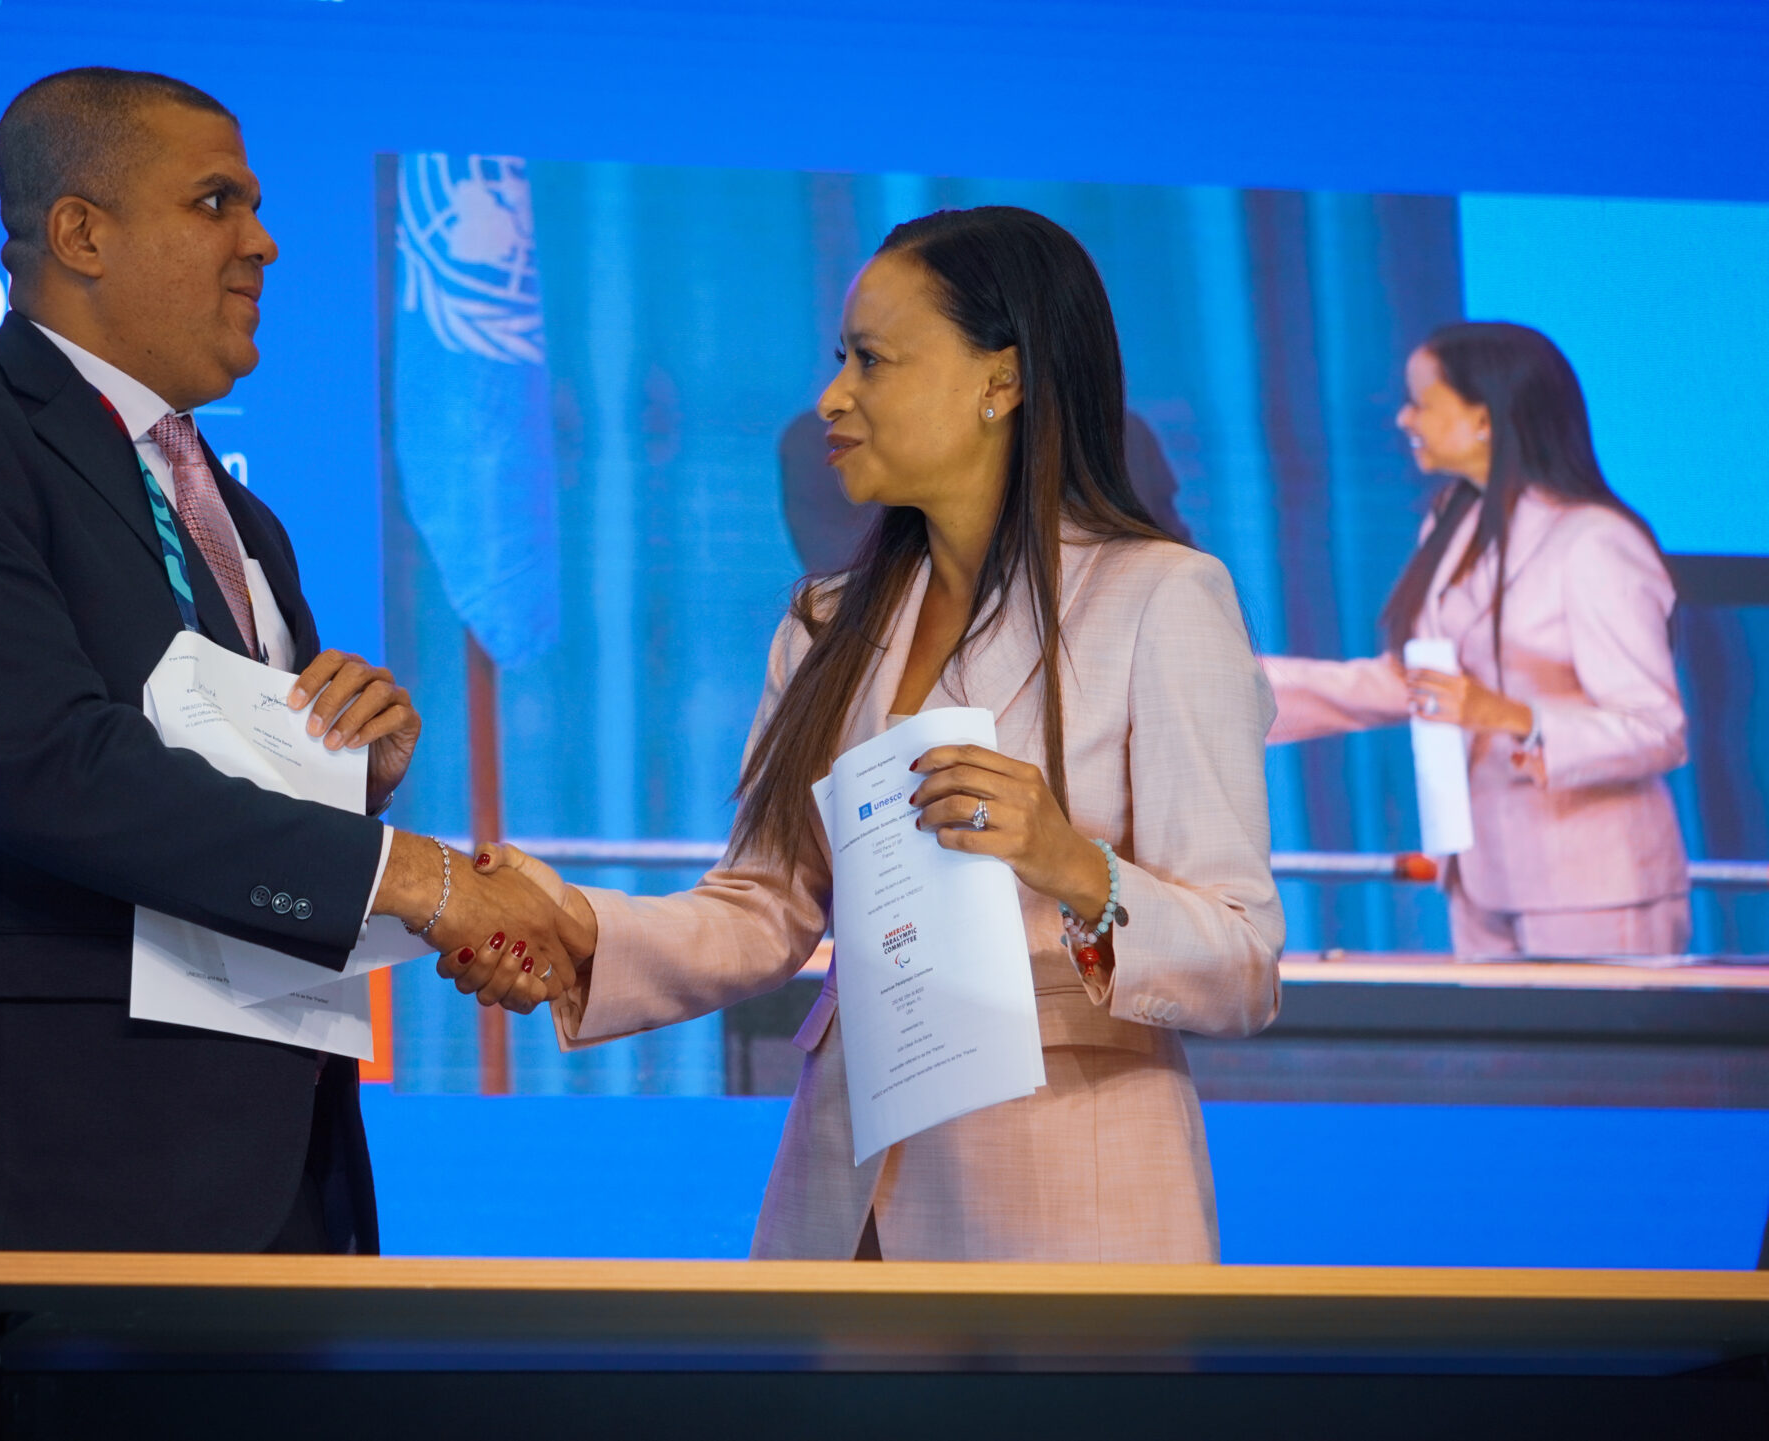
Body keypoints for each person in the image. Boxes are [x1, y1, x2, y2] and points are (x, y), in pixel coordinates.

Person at [0, 67, 564, 1437]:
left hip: (267, 1200)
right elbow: (52, 772)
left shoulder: (246, 525)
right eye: (215, 204)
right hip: (19, 1198)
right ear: (81, 233)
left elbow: (213, 806)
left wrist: (352, 774)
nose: (262, 241)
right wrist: (420, 879)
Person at [478, 206, 1283, 1263]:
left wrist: (1072, 864)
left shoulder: (1162, 597)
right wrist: (577, 925)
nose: (832, 396)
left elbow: (1243, 959)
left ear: (1002, 379)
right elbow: (761, 909)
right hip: (843, 1196)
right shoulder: (823, 622)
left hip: (1071, 1213)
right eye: (839, 359)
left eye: (873, 360)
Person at [1261, 322, 1689, 957]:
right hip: (1483, 878)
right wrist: (1233, 685)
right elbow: (1421, 684)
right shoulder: (1454, 524)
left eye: (1422, 402)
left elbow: (1658, 729)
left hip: (1595, 887)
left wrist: (1512, 716)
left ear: (1484, 418)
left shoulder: (1596, 542)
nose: (1405, 418)